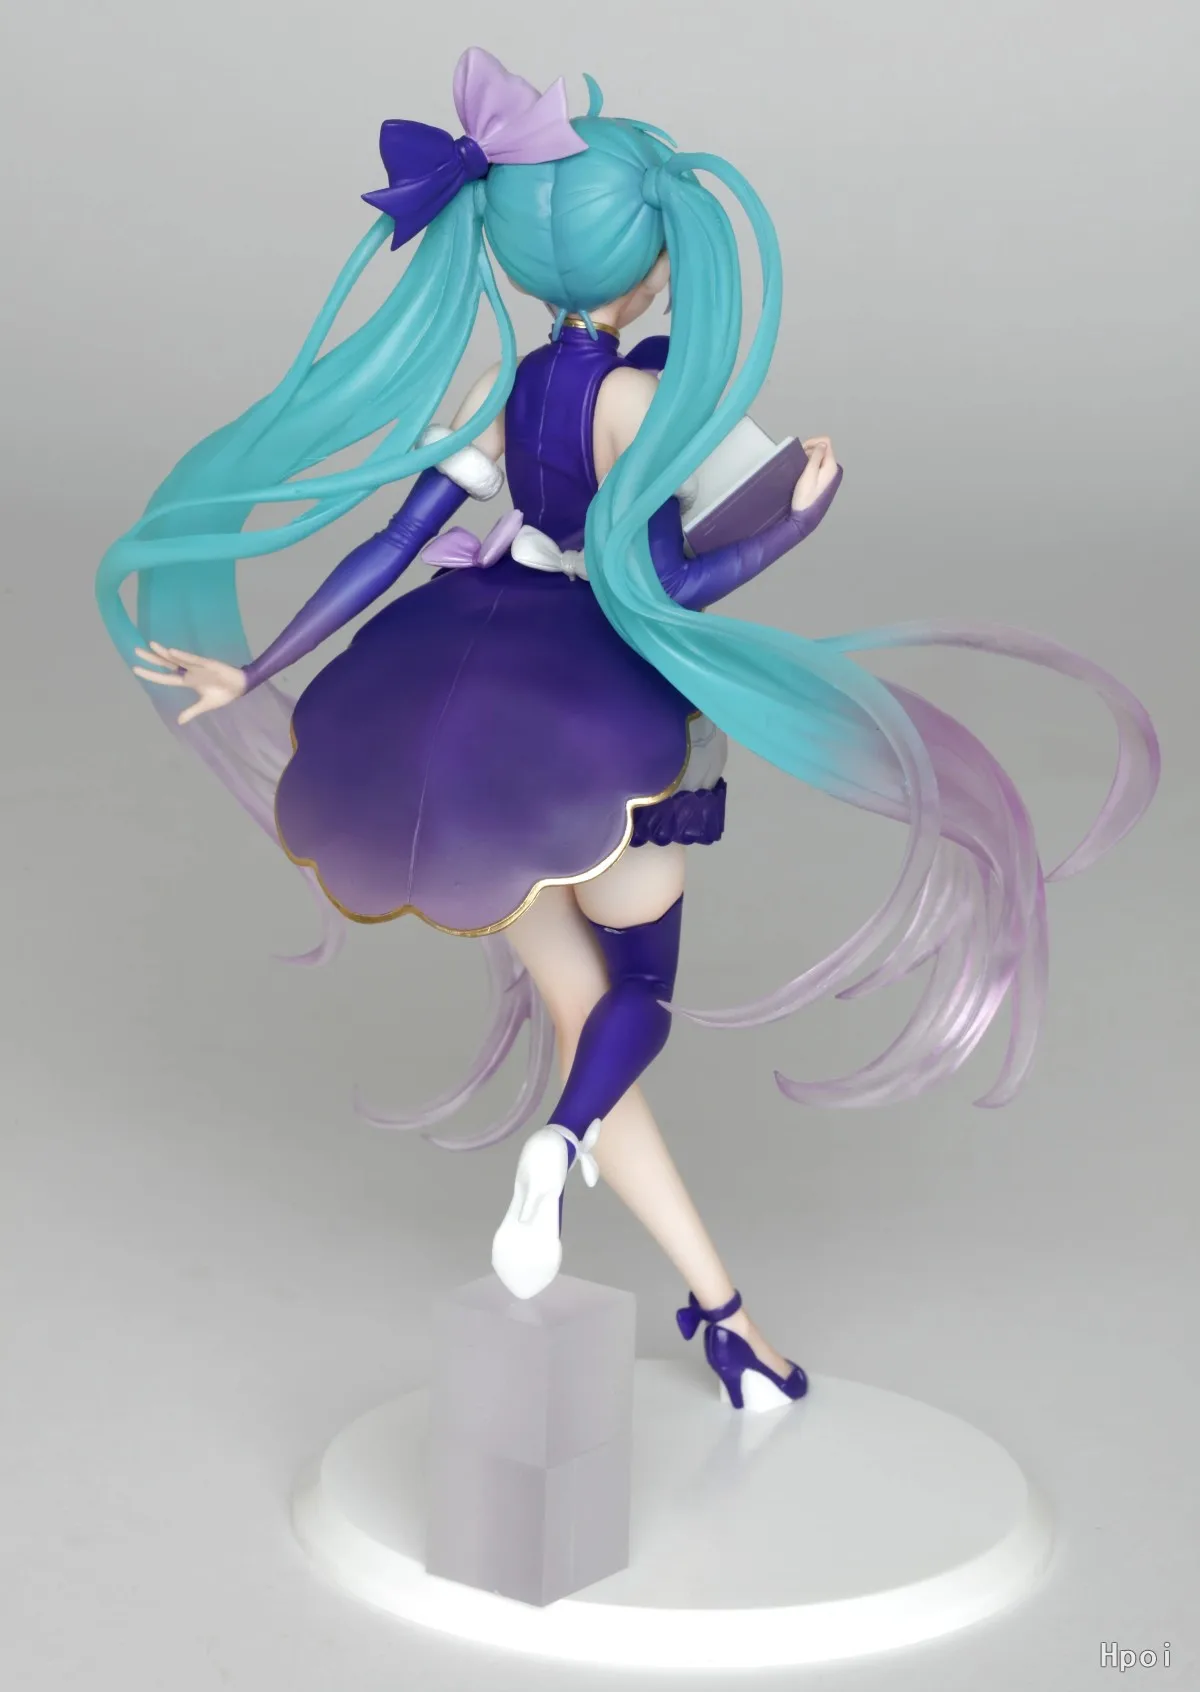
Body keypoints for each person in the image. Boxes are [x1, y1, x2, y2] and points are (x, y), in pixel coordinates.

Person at [99, 49, 1158, 1415]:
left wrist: (256, 666)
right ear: (650, 268)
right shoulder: (645, 407)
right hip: (601, 737)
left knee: (576, 1009)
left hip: (464, 723)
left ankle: (723, 1316)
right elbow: (663, 589)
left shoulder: (510, 391)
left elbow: (393, 542)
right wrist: (794, 519)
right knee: (636, 1000)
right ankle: (561, 1140)